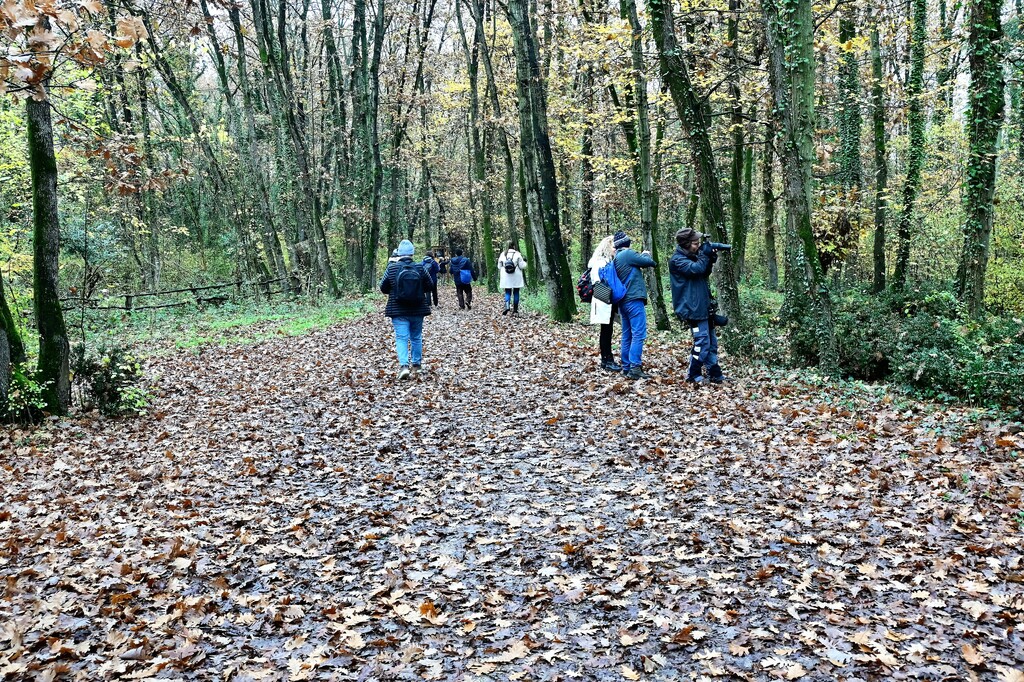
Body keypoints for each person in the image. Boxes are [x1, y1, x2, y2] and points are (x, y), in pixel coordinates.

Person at [669, 228, 727, 384]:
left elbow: (704, 272)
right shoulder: (677, 260)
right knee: (702, 342)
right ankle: (693, 374)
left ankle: (714, 372)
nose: (698, 246)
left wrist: (710, 259)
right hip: (692, 308)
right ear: (686, 244)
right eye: (695, 243)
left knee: (711, 343)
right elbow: (696, 269)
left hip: (703, 306)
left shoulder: (692, 257)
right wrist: (704, 255)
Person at [379, 239, 435, 381]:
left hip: (398, 309)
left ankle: (404, 366)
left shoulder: (392, 268)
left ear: (399, 253)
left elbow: (383, 287)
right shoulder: (420, 267)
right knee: (416, 337)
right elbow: (430, 285)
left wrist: (395, 290)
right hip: (417, 309)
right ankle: (417, 365)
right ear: (412, 253)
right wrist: (418, 290)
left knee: (401, 338)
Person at [612, 230, 657, 380]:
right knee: (638, 334)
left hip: (623, 302)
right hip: (633, 300)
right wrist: (646, 254)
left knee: (627, 335)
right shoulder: (627, 254)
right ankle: (635, 367)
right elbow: (649, 263)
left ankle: (626, 367)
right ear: (627, 242)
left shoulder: (616, 257)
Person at [588, 236, 621, 371]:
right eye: (613, 247)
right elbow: (599, 281)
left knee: (607, 330)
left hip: (604, 299)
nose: (615, 250)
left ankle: (607, 359)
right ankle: (607, 360)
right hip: (603, 298)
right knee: (606, 331)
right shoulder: (601, 263)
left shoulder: (602, 262)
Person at [497, 242, 526, 315]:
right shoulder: (517, 254)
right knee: (516, 292)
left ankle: (507, 307)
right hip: (516, 277)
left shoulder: (503, 254)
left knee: (507, 292)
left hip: (506, 277)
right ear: (513, 246)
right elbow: (522, 266)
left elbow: (499, 266)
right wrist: (525, 262)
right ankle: (515, 310)